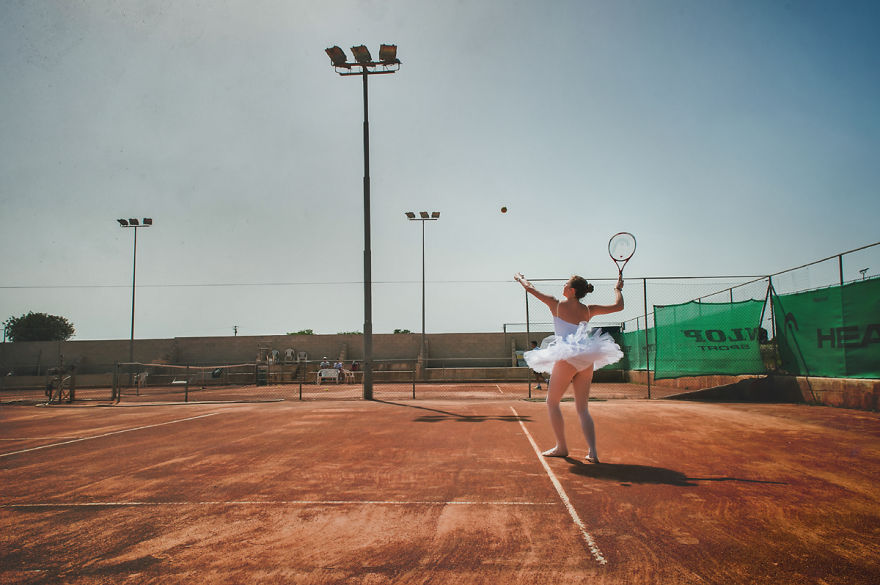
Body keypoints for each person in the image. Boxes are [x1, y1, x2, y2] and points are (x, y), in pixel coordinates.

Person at [514, 272, 625, 463]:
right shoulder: (589, 309)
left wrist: (520, 278)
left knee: (552, 402)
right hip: (586, 357)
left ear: (572, 290)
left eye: (566, 284)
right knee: (582, 408)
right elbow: (619, 306)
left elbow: (529, 288)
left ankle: (562, 447)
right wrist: (617, 289)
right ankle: (593, 452)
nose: (563, 286)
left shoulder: (556, 304)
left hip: (567, 356)